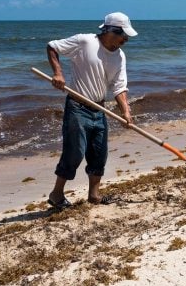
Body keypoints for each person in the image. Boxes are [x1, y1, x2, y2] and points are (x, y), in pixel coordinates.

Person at [46, 12, 137, 209]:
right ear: (111, 31)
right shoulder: (85, 42)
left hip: (99, 109)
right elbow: (52, 47)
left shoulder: (120, 56)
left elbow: (119, 86)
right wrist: (58, 74)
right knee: (75, 152)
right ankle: (56, 194)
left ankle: (94, 195)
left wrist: (126, 112)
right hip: (77, 107)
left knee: (99, 152)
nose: (126, 40)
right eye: (123, 35)